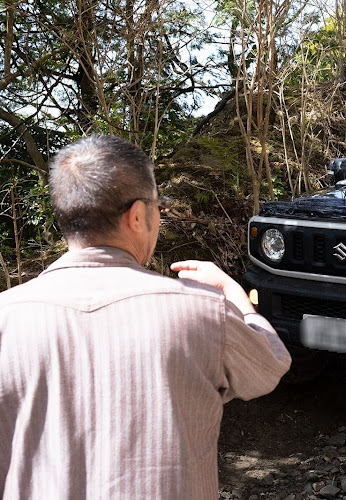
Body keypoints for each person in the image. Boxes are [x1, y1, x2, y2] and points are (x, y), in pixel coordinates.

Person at [0, 135, 291, 498]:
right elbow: (268, 367)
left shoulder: (6, 317)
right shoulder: (200, 311)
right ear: (138, 216)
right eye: (160, 204)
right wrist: (234, 294)